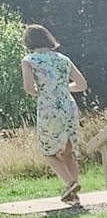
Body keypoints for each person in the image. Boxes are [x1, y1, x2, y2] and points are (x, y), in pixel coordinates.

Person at [20, 24, 88, 203]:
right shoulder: (63, 59)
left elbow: (29, 89)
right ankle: (73, 195)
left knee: (47, 151)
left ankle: (71, 183)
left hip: (49, 108)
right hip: (69, 106)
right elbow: (82, 84)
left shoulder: (29, 60)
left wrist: (44, 90)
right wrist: (61, 88)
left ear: (28, 42)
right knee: (68, 152)